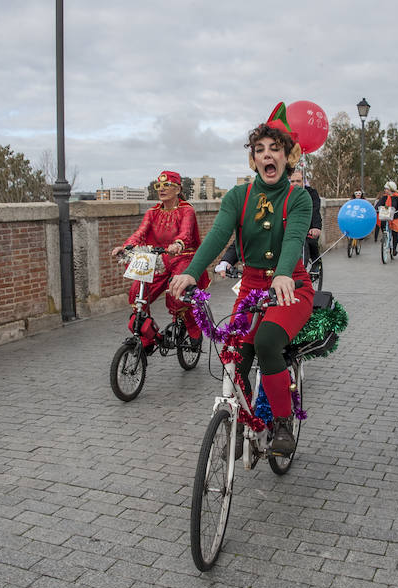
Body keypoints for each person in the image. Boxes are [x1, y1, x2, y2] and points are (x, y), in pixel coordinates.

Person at [170, 111, 314, 455]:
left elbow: (294, 239)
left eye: (275, 149)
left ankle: (281, 424)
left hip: (290, 286)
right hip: (250, 289)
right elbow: (218, 236)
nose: (267, 154)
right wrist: (192, 271)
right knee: (235, 356)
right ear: (253, 159)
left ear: (287, 156)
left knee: (266, 342)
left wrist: (282, 272)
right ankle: (240, 422)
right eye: (260, 149)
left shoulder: (298, 198)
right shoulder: (238, 197)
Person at [111, 170, 210, 348]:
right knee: (137, 294)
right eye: (159, 186)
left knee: (178, 294)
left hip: (181, 258)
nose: (162, 189)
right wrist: (126, 247)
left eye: (167, 185)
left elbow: (186, 233)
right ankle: (147, 336)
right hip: (159, 260)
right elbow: (140, 233)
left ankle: (192, 328)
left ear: (178, 189)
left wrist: (178, 244)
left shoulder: (186, 210)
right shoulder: (152, 212)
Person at [214, 167, 322, 277]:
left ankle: (315, 264)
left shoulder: (308, 195)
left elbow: (315, 212)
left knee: (310, 242)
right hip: (258, 274)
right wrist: (226, 261)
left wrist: (316, 227)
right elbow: (245, 234)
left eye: (298, 181)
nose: (294, 184)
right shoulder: (264, 200)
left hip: (297, 243)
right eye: (292, 181)